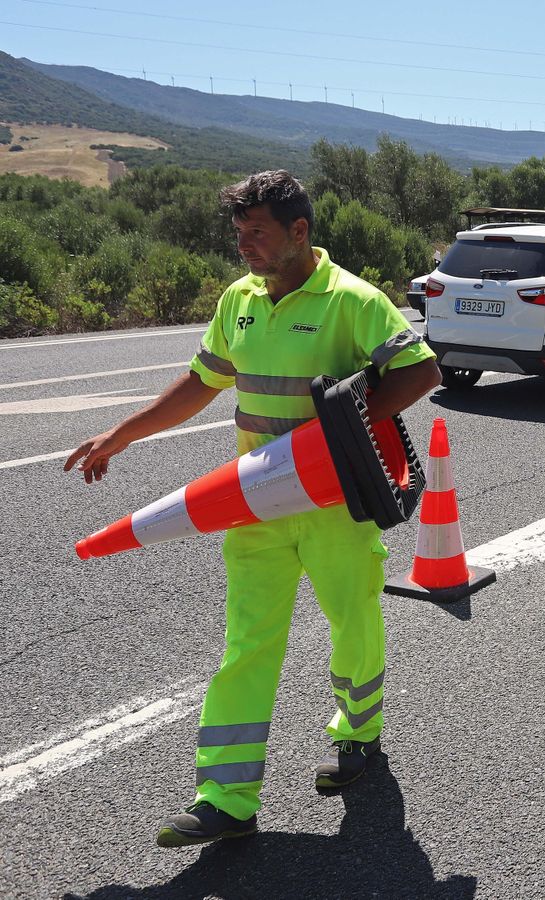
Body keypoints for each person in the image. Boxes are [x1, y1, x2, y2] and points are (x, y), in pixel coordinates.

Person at [64, 170, 442, 848]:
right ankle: (226, 798)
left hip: (335, 507)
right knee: (246, 647)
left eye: (257, 233)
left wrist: (343, 435)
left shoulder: (352, 300)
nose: (244, 246)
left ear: (300, 232)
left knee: (353, 622)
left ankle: (358, 735)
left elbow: (421, 371)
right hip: (256, 508)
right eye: (239, 234)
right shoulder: (238, 300)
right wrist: (122, 432)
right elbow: (202, 381)